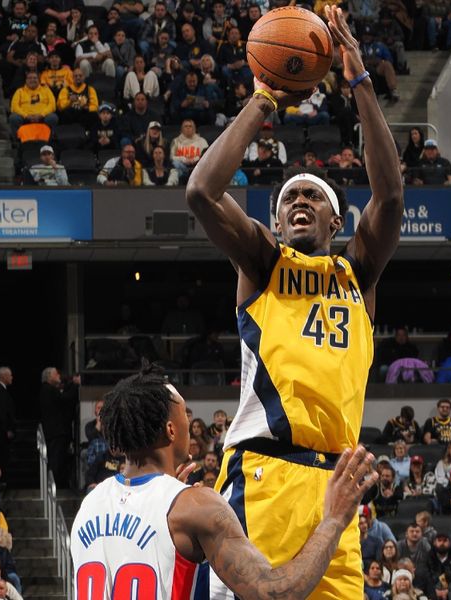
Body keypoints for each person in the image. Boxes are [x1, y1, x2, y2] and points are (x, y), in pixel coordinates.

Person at [185, 8, 402, 598]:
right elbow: (201, 191)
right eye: (289, 199)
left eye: (312, 196)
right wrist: (263, 101)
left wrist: (358, 82)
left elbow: (391, 193)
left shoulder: (357, 271)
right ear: (276, 220)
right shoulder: (263, 261)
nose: (299, 202)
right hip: (267, 473)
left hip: (337, 485)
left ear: (337, 218)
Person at [70, 365, 376, 598]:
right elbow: (274, 593)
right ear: (171, 430)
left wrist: (168, 493)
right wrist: (334, 519)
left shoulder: (89, 506)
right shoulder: (192, 507)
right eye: (184, 416)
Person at [38, 367, 79, 487]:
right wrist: (75, 385)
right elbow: (65, 399)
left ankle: (56, 482)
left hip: (55, 430)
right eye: (56, 374)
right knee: (56, 458)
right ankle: (53, 484)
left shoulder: (48, 389)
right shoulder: (48, 389)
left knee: (58, 458)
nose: (59, 376)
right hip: (55, 431)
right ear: (49, 376)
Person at [8, 71, 58, 137]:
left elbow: (52, 105)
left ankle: (49, 139)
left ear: (39, 80)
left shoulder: (46, 90)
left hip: (42, 117)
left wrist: (41, 115)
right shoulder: (19, 91)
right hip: (25, 118)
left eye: (35, 78)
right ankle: (18, 140)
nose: (32, 80)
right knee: (13, 117)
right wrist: (26, 116)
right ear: (26, 80)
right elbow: (14, 106)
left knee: (52, 117)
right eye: (30, 78)